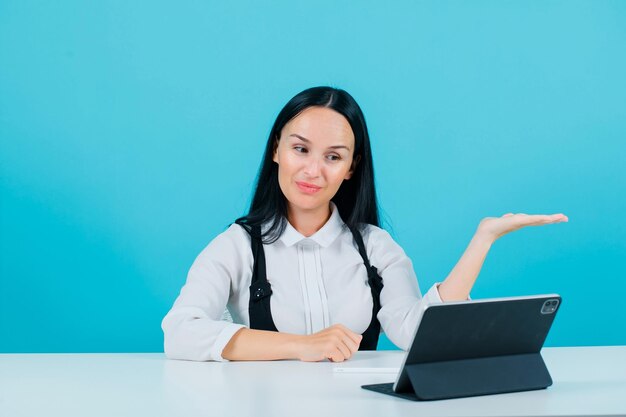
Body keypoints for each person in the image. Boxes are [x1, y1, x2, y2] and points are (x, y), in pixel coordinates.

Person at [161, 86, 568, 363]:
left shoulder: (374, 247)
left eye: (333, 157)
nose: (312, 170)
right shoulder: (236, 245)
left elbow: (416, 333)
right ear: (276, 151)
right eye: (300, 149)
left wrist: (483, 239)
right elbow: (180, 331)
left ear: (351, 168)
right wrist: (302, 347)